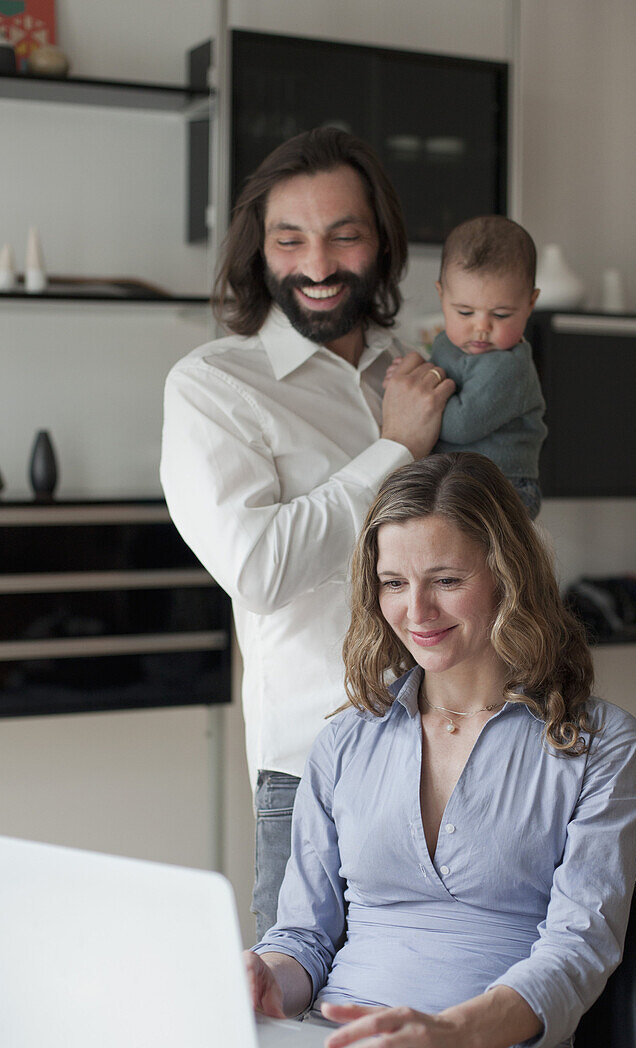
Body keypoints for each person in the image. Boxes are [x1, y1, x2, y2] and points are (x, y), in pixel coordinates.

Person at [245, 452, 636, 1048]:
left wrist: (449, 1037)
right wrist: (268, 977)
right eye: (394, 583)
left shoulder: (599, 744)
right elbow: (303, 939)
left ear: (506, 575)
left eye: (445, 579)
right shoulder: (344, 741)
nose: (417, 610)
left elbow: (579, 949)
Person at [160, 128, 454, 939]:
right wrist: (394, 450)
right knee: (302, 1024)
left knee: (457, 1011)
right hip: (316, 769)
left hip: (464, 752)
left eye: (343, 235)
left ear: (382, 244)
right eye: (290, 240)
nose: (317, 265)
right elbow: (259, 568)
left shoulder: (421, 371)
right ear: (260, 252)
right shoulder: (215, 386)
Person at [391, 215, 547, 519]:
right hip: (464, 479)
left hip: (506, 486)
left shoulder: (508, 366)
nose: (481, 328)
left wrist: (414, 394)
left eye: (500, 315)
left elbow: (459, 426)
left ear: (530, 303)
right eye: (464, 312)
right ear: (442, 296)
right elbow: (443, 374)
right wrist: (416, 373)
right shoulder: (445, 343)